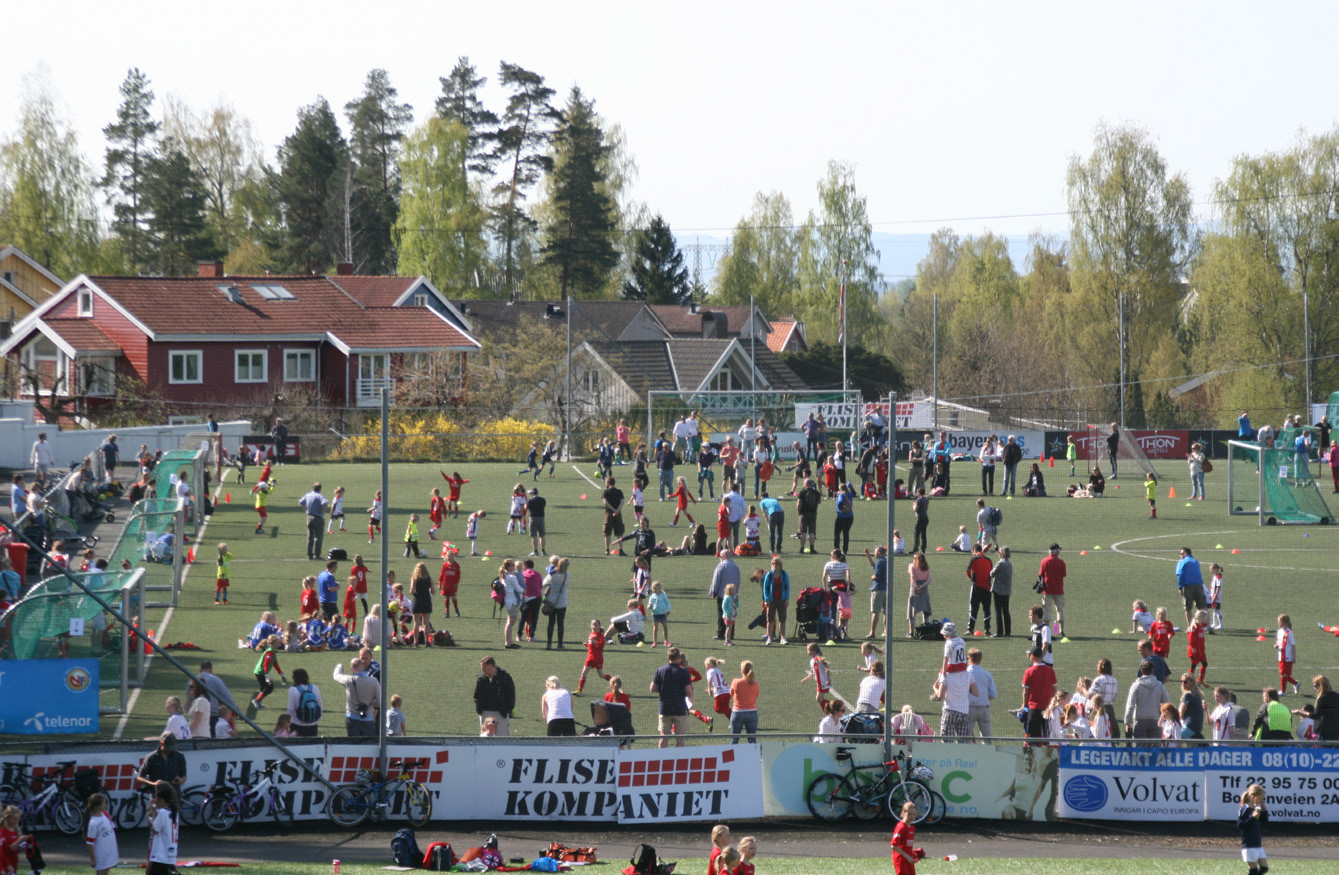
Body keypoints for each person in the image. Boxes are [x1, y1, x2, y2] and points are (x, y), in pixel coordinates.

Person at [651, 646, 693, 748]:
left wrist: (663, 690)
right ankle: (679, 761)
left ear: (668, 657)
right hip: (679, 709)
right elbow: (689, 691)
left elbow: (652, 688)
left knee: (663, 738)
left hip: (665, 709)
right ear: (679, 658)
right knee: (680, 740)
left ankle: (661, 761)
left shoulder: (660, 670)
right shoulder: (684, 672)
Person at [333, 658, 380, 739]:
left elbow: (336, 676)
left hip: (352, 718)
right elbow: (379, 701)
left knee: (354, 746)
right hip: (368, 718)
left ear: (352, 669)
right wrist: (374, 710)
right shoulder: (373, 681)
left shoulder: (348, 680)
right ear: (363, 666)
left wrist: (339, 666)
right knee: (370, 746)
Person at [1124, 659, 1170, 742]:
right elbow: (1167, 703)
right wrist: (1164, 718)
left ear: (1141, 670)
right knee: (1155, 750)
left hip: (1140, 722)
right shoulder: (1159, 685)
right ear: (1153, 670)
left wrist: (1127, 722)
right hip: (1155, 722)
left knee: (1141, 750)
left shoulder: (1136, 685)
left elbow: (1130, 705)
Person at [189, 662, 238, 739]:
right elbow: (227, 697)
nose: (191, 688)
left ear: (200, 669)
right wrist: (236, 709)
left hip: (197, 725)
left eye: (192, 687)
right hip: (213, 714)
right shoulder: (216, 679)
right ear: (211, 669)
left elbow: (188, 701)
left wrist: (187, 733)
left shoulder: (193, 681)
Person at [1021, 647, 1057, 742]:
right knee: (1048, 737)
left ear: (1032, 656)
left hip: (1034, 709)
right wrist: (1052, 704)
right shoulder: (1050, 670)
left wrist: (1024, 705)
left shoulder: (1029, 671)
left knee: (1032, 739)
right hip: (1048, 708)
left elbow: (1025, 692)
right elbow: (1054, 689)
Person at [474, 656, 516, 736]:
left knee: (502, 741)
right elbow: (477, 696)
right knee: (485, 739)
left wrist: (507, 710)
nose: (482, 669)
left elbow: (511, 695)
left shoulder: (505, 678)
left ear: (490, 666)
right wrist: (479, 710)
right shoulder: (482, 679)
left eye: (484, 667)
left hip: (501, 714)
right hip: (485, 713)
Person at [145, 783, 179, 875]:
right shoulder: (174, 811)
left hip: (161, 854)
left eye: (156, 797)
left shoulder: (163, 813)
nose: (154, 799)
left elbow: (155, 828)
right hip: (170, 852)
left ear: (161, 800)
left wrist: (149, 810)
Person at [1237, 784, 1270, 875]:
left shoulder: (1256, 808)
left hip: (1257, 844)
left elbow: (1264, 822)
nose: (1261, 801)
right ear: (1253, 797)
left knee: (1264, 868)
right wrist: (1252, 817)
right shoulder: (1244, 809)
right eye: (1260, 798)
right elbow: (1240, 825)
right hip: (1249, 844)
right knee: (1253, 871)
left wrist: (1264, 811)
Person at [709, 550, 741, 640]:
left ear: (723, 556)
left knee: (722, 614)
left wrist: (713, 591)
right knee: (732, 614)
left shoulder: (721, 566)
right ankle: (731, 634)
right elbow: (738, 580)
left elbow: (716, 580)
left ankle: (721, 633)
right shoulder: (736, 566)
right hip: (733, 595)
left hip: (723, 595)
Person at [85, 793, 118, 875]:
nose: (106, 805)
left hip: (110, 850)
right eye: (104, 803)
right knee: (101, 872)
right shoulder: (93, 823)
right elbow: (90, 843)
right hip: (101, 852)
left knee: (106, 870)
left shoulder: (106, 814)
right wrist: (93, 859)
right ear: (96, 807)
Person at [729, 659, 760, 744]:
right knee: (752, 740)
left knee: (734, 740)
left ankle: (732, 757)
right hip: (752, 713)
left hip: (737, 712)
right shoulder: (756, 684)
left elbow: (731, 693)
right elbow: (756, 696)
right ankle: (755, 757)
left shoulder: (736, 682)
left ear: (742, 670)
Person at [1038, 543, 1066, 636]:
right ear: (1057, 551)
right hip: (1059, 590)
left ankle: (1046, 631)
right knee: (1060, 610)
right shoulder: (1061, 562)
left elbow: (1041, 573)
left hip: (1047, 589)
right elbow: (1063, 574)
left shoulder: (1044, 561)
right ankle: (1061, 630)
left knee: (1046, 610)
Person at [286, 667, 323, 737]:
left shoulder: (293, 689)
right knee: (312, 746)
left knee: (296, 746)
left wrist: (286, 722)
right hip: (313, 724)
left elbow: (291, 709)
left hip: (297, 724)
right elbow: (320, 705)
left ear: (295, 678)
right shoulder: (315, 688)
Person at [965, 544, 993, 637]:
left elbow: (967, 570)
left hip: (976, 587)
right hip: (987, 588)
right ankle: (987, 630)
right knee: (987, 609)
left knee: (973, 608)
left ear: (974, 551)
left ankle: (970, 629)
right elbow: (991, 573)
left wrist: (970, 578)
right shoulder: (989, 561)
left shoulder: (974, 559)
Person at [890, 800, 921, 875]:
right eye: (909, 814)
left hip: (908, 858)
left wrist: (912, 856)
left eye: (914, 814)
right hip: (900, 859)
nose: (912, 816)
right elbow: (893, 845)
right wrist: (907, 857)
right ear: (903, 813)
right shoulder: (901, 827)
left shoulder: (912, 828)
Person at [298, 483, 328, 561]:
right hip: (318, 518)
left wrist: (306, 510)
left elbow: (301, 502)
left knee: (310, 537)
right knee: (318, 537)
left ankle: (310, 554)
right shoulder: (320, 496)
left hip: (309, 517)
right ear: (320, 488)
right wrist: (323, 510)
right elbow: (325, 503)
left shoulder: (308, 495)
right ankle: (317, 555)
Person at [864, 546, 888, 639]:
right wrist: (868, 555)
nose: (874, 553)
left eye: (875, 552)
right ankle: (886, 631)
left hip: (878, 590)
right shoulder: (885, 561)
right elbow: (874, 566)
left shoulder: (879, 562)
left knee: (875, 612)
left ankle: (872, 632)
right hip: (886, 589)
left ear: (879, 552)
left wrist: (872, 577)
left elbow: (877, 575)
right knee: (886, 612)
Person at [906, 551, 932, 637]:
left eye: (914, 558)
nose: (913, 559)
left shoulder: (912, 566)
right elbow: (929, 579)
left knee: (912, 610)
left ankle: (911, 632)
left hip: (914, 589)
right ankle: (926, 631)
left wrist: (916, 587)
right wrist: (922, 586)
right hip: (924, 589)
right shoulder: (926, 567)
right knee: (925, 610)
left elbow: (912, 577)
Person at [991, 546, 1013, 637]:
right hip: (1007, 590)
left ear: (1002, 553)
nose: (998, 553)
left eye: (999, 552)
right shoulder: (1010, 564)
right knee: (1006, 611)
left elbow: (992, 574)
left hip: (998, 590)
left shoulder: (1000, 563)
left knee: (998, 611)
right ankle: (1008, 631)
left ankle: (999, 631)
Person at [796, 478, 821, 554]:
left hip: (803, 514)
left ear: (805, 484)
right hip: (813, 513)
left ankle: (802, 548)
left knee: (803, 532)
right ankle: (812, 548)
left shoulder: (802, 492)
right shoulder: (816, 492)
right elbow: (819, 502)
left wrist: (799, 511)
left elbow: (798, 504)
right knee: (812, 532)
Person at [602, 477, 626, 555]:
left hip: (609, 514)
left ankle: (607, 550)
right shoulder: (619, 492)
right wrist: (617, 510)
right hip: (618, 514)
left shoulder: (606, 492)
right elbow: (622, 502)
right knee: (619, 533)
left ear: (608, 483)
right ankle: (621, 550)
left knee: (607, 533)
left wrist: (612, 510)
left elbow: (605, 502)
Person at [1275, 614, 1298, 695]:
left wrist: (1294, 657)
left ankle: (1283, 691)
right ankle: (1296, 683)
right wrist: (1277, 645)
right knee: (1284, 674)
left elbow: (1293, 645)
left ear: (1286, 623)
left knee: (1283, 674)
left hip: (1288, 656)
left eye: (1280, 622)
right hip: (1281, 655)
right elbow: (1279, 642)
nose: (1279, 624)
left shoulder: (1289, 633)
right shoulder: (1279, 631)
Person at [1179, 673, 1206, 739]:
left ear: (1192, 682)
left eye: (1185, 682)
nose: (1183, 683)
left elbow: (1181, 714)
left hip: (1189, 726)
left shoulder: (1188, 694)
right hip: (1198, 727)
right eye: (1181, 681)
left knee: (1174, 740)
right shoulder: (1198, 694)